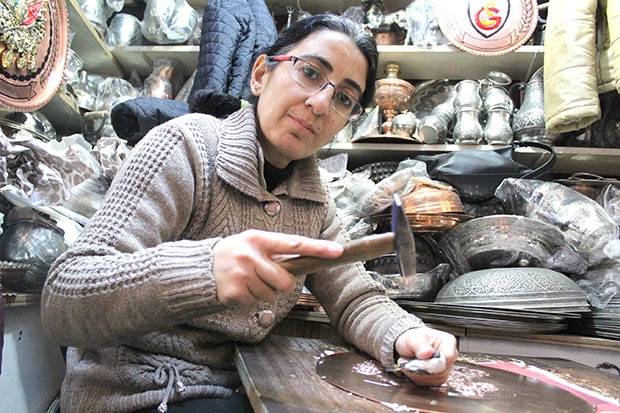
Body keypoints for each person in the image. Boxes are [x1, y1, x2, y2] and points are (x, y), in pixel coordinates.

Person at [41, 13, 458, 413]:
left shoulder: (313, 198)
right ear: (261, 74)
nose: (319, 103)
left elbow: (353, 298)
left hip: (240, 389)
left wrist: (407, 335)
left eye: (344, 98)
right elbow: (65, 298)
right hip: (139, 392)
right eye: (310, 72)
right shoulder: (185, 148)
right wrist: (202, 270)